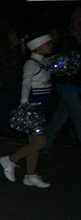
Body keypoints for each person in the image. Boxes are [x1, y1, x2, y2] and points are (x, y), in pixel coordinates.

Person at [0, 33, 53, 188]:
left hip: (41, 107)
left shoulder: (44, 62)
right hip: (33, 108)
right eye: (48, 44)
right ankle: (10, 160)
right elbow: (26, 83)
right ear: (39, 47)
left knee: (33, 142)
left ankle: (30, 175)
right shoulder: (31, 64)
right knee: (41, 142)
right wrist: (24, 103)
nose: (51, 46)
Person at [40, 14, 81, 158]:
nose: (78, 23)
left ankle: (43, 148)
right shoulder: (67, 40)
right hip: (67, 85)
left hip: (74, 85)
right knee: (78, 119)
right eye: (75, 20)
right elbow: (59, 64)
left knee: (58, 120)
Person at [0, 27, 25, 137]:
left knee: (14, 107)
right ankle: (3, 127)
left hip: (16, 84)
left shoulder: (22, 50)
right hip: (3, 83)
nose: (8, 35)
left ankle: (15, 128)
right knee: (3, 107)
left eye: (12, 33)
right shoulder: (4, 49)